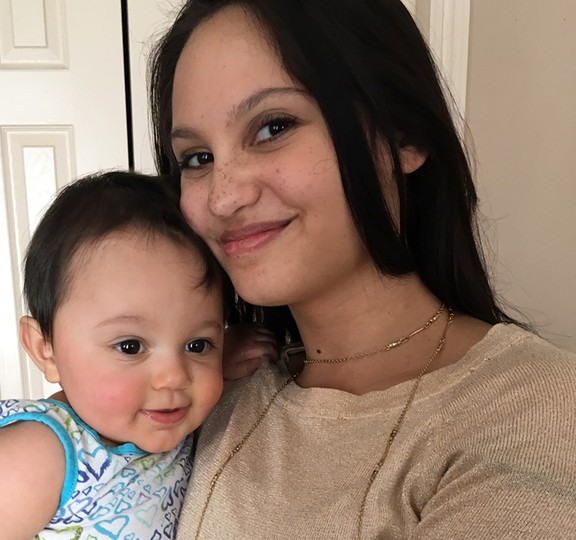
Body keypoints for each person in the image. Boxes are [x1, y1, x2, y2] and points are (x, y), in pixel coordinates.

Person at [148, 0, 576, 538]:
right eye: (197, 158)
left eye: (273, 126)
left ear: (404, 136)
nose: (223, 197)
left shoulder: (534, 412)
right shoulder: (207, 389)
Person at [0, 171, 276, 539]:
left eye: (197, 345)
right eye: (130, 347)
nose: (174, 376)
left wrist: (223, 356)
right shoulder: (34, 455)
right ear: (46, 350)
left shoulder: (166, 421)